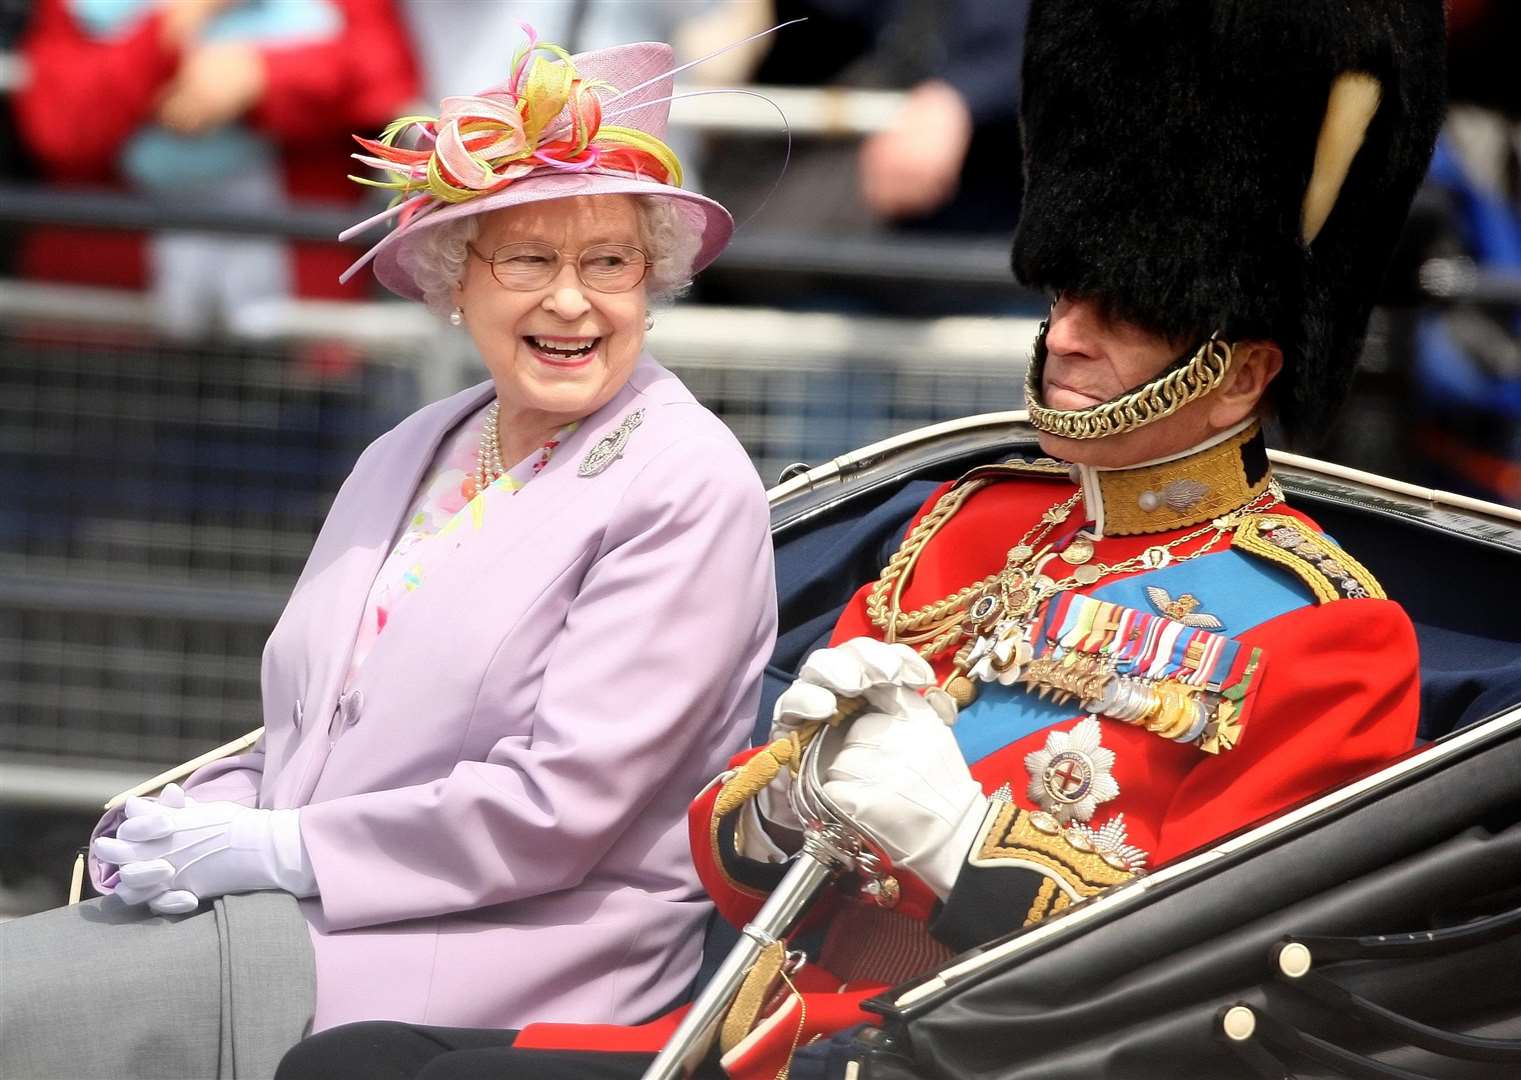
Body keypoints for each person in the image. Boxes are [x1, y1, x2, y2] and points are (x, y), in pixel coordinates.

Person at [274, 1, 1446, 1078]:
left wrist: (964, 845)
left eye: (1121, 312)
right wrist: (790, 799)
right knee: (354, 1061)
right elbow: (729, 851)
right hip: (776, 1022)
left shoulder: (1330, 631)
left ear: (1239, 371)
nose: (1066, 340)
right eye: (1061, 299)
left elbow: (1211, 972)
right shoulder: (968, 522)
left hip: (974, 1056)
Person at [0, 31, 776, 1080]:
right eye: (528, 260)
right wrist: (197, 818)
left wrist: (282, 851)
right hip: (305, 910)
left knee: (27, 1010)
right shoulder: (411, 445)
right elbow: (304, 727)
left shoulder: (686, 479)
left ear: (652, 284)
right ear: (458, 283)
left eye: (610, 263)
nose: (571, 299)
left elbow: (558, 809)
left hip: (512, 956)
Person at [13, 0, 420, 334]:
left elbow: (383, 82)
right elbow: (60, 128)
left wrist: (264, 74)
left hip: (299, 325)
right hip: (109, 326)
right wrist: (176, 23)